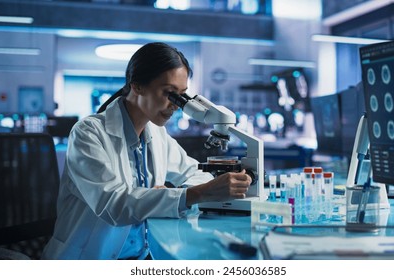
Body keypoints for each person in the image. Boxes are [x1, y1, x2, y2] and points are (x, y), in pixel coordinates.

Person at [41, 42, 252, 260]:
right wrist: (191, 194)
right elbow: (113, 204)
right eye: (170, 93)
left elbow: (195, 173)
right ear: (138, 86)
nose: (176, 105)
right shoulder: (89, 133)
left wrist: (170, 193)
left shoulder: (157, 133)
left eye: (182, 95)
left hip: (142, 257)